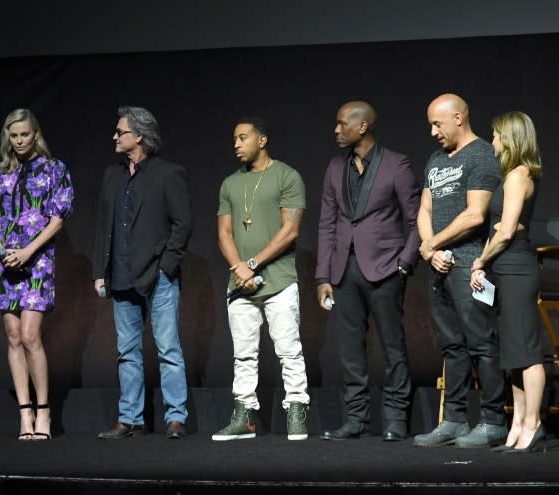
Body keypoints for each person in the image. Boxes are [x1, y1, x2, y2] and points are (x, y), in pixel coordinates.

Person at [315, 101, 421, 442]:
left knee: (392, 347)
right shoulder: (335, 167)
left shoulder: (396, 164)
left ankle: (395, 420)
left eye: (341, 123)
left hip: (386, 268)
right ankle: (356, 419)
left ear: (361, 127)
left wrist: (405, 263)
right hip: (344, 270)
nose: (335, 130)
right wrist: (323, 276)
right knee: (349, 349)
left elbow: (416, 219)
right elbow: (327, 224)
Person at [413, 93, 507, 448]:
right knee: (452, 346)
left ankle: (493, 421)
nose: (434, 132)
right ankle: (453, 419)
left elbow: (475, 214)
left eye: (438, 124)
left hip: (470, 263)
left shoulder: (481, 154)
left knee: (481, 344)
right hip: (438, 264)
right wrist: (431, 249)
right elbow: (424, 208)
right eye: (430, 126)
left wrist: (432, 244)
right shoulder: (436, 160)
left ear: (458, 117)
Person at [0, 108, 74, 441]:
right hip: (4, 261)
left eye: (24, 135)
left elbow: (58, 219)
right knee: (13, 334)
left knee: (31, 335)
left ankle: (44, 412)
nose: (19, 141)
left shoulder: (54, 169)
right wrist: (3, 251)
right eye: (13, 135)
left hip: (37, 260)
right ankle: (24, 414)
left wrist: (29, 250)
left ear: (36, 135)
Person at [93, 105, 192, 440]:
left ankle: (175, 418)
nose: (115, 136)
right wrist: (100, 271)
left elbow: (183, 224)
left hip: (158, 277)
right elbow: (103, 228)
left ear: (139, 135)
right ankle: (129, 419)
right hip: (120, 277)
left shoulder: (168, 173)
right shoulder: (113, 175)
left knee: (168, 349)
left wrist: (167, 266)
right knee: (127, 352)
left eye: (120, 131)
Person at [212, 116, 310, 441]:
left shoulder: (287, 176)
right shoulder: (229, 184)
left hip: (279, 280)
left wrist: (252, 263)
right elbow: (224, 233)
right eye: (234, 139)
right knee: (243, 353)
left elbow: (290, 230)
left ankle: (296, 411)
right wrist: (240, 268)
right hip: (239, 285)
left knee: (288, 349)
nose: (236, 144)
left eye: (242, 138)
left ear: (262, 140)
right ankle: (244, 417)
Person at [470, 111, 545, 453]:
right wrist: (485, 263)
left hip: (516, 268)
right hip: (505, 266)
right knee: (513, 353)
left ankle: (534, 423)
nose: (492, 142)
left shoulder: (518, 175)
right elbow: (498, 231)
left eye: (496, 135)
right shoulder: (511, 176)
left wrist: (480, 260)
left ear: (510, 138)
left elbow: (507, 228)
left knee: (526, 351)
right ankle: (517, 423)